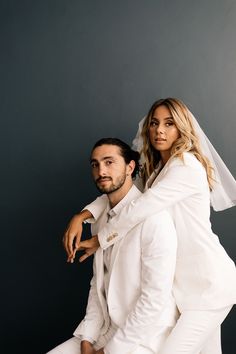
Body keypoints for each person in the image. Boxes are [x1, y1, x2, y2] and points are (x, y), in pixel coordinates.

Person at [63, 98, 236, 354]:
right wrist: (82, 215)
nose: (159, 130)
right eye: (154, 123)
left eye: (169, 123)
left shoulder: (186, 166)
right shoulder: (157, 172)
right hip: (185, 290)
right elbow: (126, 192)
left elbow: (138, 208)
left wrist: (100, 239)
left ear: (182, 128)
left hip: (209, 285)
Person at [47, 138, 179, 354]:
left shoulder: (155, 220)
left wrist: (109, 351)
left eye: (109, 162)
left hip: (144, 337)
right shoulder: (100, 219)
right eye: (95, 164)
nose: (101, 171)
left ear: (130, 167)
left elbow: (155, 299)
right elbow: (98, 283)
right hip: (106, 329)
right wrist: (87, 338)